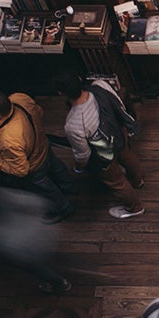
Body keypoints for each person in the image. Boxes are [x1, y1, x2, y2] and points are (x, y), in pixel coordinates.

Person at [55, 68, 145, 219]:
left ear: (60, 92)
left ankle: (134, 207)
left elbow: (83, 154)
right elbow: (118, 104)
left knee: (116, 181)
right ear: (79, 78)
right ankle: (138, 180)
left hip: (103, 151)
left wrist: (78, 168)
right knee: (128, 157)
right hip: (117, 133)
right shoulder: (100, 86)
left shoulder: (73, 124)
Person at [0, 89, 74, 223]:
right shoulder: (20, 98)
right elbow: (39, 112)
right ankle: (70, 187)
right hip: (43, 146)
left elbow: (21, 170)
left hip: (35, 166)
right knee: (57, 169)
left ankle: (63, 209)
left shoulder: (8, 140)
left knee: (46, 190)